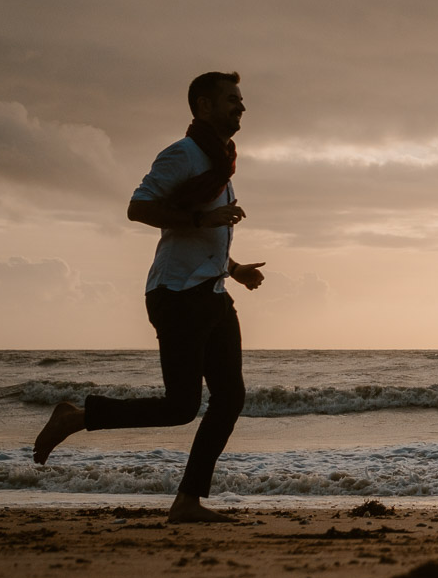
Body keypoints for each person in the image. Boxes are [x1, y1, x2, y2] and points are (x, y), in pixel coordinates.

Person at [32, 71, 265, 523]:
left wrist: (233, 270)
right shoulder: (183, 155)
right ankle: (77, 416)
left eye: (242, 100)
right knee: (180, 406)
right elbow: (138, 207)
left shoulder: (221, 161)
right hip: (177, 295)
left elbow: (206, 231)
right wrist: (203, 217)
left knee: (230, 398)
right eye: (232, 100)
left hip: (211, 291)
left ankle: (188, 501)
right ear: (203, 106)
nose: (241, 107)